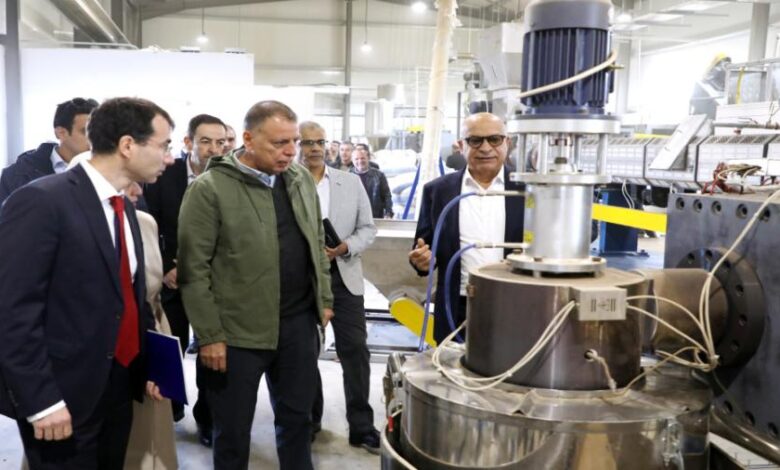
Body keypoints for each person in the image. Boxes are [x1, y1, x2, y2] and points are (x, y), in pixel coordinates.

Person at [0, 97, 172, 469]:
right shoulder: (42, 201)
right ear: (128, 145)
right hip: (61, 394)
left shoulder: (123, 207)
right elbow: (12, 311)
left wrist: (151, 365)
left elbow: (129, 297)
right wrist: (41, 401)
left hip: (117, 385)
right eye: (163, 145)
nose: (169, 158)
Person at [178, 100, 334, 470]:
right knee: (232, 432)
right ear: (248, 139)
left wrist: (324, 298)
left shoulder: (299, 180)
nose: (290, 151)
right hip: (236, 335)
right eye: (279, 143)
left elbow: (315, 242)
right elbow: (193, 270)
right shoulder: (210, 189)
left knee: (298, 422)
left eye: (293, 141)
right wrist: (209, 335)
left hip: (297, 324)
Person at [298, 122, 380, 453]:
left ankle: (361, 425)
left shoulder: (351, 182)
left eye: (320, 142)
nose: (315, 148)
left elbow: (368, 228)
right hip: (302, 279)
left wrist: (345, 247)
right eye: (307, 142)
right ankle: (309, 419)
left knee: (355, 351)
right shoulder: (286, 183)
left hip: (343, 276)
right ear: (297, 146)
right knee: (304, 353)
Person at [408, 112, 525, 344]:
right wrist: (421, 261)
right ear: (461, 146)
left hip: (515, 304)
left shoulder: (528, 190)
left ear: (507, 143)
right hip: (457, 306)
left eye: (494, 139)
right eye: (475, 140)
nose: (486, 148)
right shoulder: (438, 191)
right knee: (451, 365)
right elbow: (424, 247)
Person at [144, 113, 226, 444]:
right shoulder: (164, 175)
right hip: (171, 282)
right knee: (169, 351)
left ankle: (208, 420)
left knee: (212, 355)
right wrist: (166, 267)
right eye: (205, 141)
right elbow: (149, 223)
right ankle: (171, 410)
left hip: (213, 284)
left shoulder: (229, 178)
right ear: (189, 142)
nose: (214, 149)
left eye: (221, 142)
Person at [0, 97, 98, 204]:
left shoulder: (104, 172)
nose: (95, 138)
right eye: (86, 132)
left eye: (98, 132)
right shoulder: (16, 176)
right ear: (61, 133)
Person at [352, 143, 393, 219]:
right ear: (352, 160)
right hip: (354, 218)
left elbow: (387, 196)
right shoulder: (347, 175)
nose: (360, 161)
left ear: (368, 158)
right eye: (356, 159)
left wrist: (388, 213)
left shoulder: (379, 175)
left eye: (362, 158)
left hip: (375, 217)